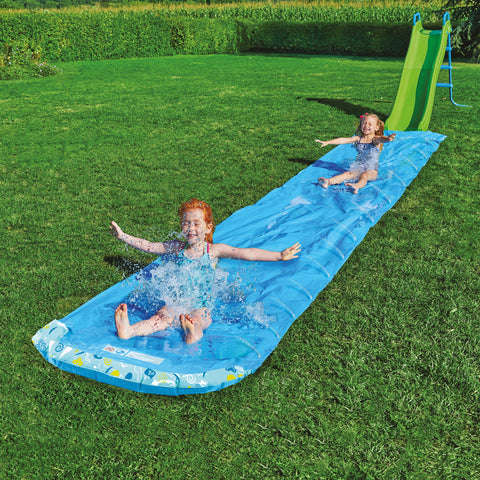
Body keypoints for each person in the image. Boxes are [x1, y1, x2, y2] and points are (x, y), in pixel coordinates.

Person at [110, 198, 301, 344]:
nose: (190, 228)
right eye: (186, 223)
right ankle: (129, 331)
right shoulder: (177, 247)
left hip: (200, 305)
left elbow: (248, 254)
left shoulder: (214, 251)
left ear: (208, 227)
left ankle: (192, 334)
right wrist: (122, 236)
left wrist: (278, 255)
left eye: (196, 223)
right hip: (176, 302)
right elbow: (150, 246)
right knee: (159, 318)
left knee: (199, 320)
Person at [316, 113, 396, 194]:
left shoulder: (375, 139)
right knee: (347, 174)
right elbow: (345, 140)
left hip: (372, 170)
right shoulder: (358, 139)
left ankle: (357, 186)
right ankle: (328, 182)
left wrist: (388, 139)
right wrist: (328, 142)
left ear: (376, 128)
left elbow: (382, 139)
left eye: (370, 124)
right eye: (364, 123)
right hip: (360, 166)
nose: (366, 125)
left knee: (364, 176)